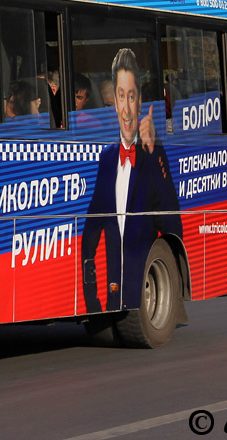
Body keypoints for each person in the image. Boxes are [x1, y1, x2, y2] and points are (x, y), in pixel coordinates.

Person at [80, 48, 182, 313]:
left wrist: (155, 149)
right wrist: (91, 300)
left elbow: (171, 222)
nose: (126, 109)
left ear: (139, 103)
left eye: (132, 97)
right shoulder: (107, 158)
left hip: (141, 291)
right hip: (112, 295)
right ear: (114, 101)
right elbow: (91, 229)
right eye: (121, 96)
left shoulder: (152, 155)